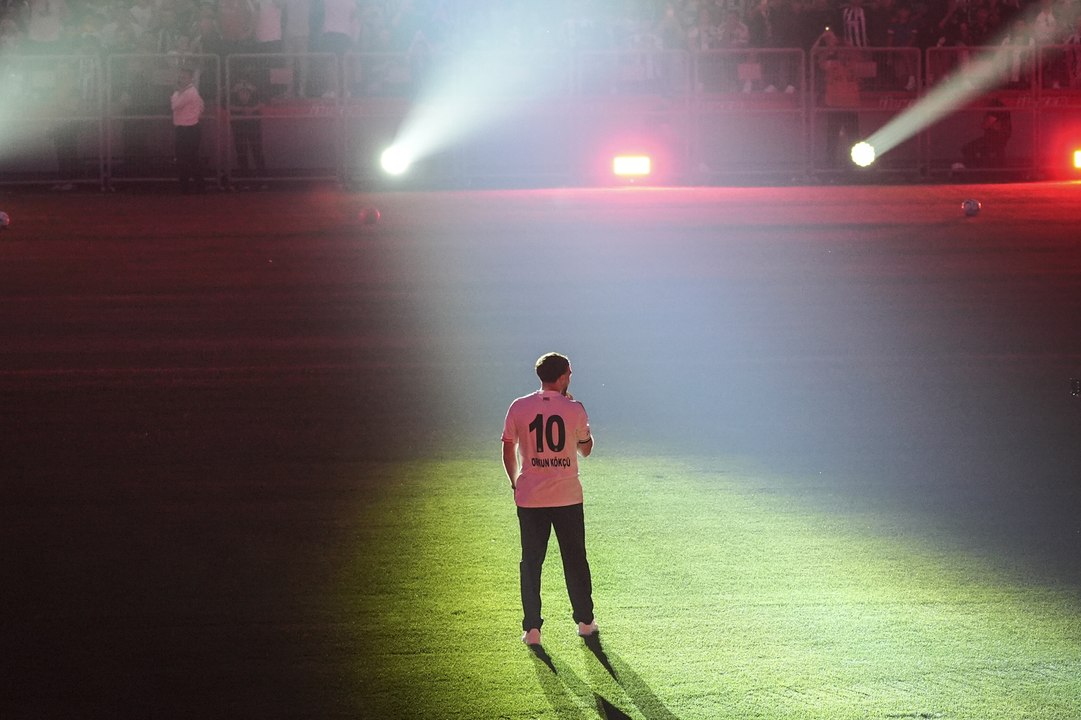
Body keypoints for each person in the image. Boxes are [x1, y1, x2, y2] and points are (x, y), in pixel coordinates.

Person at [501, 352, 597, 647]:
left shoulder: (519, 406)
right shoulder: (574, 408)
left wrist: (515, 482)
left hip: (530, 498)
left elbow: (508, 447)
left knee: (531, 562)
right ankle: (584, 622)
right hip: (567, 497)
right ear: (563, 376)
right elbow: (586, 450)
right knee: (575, 559)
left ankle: (532, 629)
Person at [171, 66, 205, 193]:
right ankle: (197, 186)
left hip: (188, 129)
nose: (181, 79)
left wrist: (177, 93)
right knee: (189, 158)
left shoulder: (189, 92)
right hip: (188, 128)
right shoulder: (191, 91)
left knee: (186, 158)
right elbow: (202, 106)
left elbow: (175, 105)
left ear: (190, 78)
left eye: (184, 77)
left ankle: (187, 186)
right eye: (180, 76)